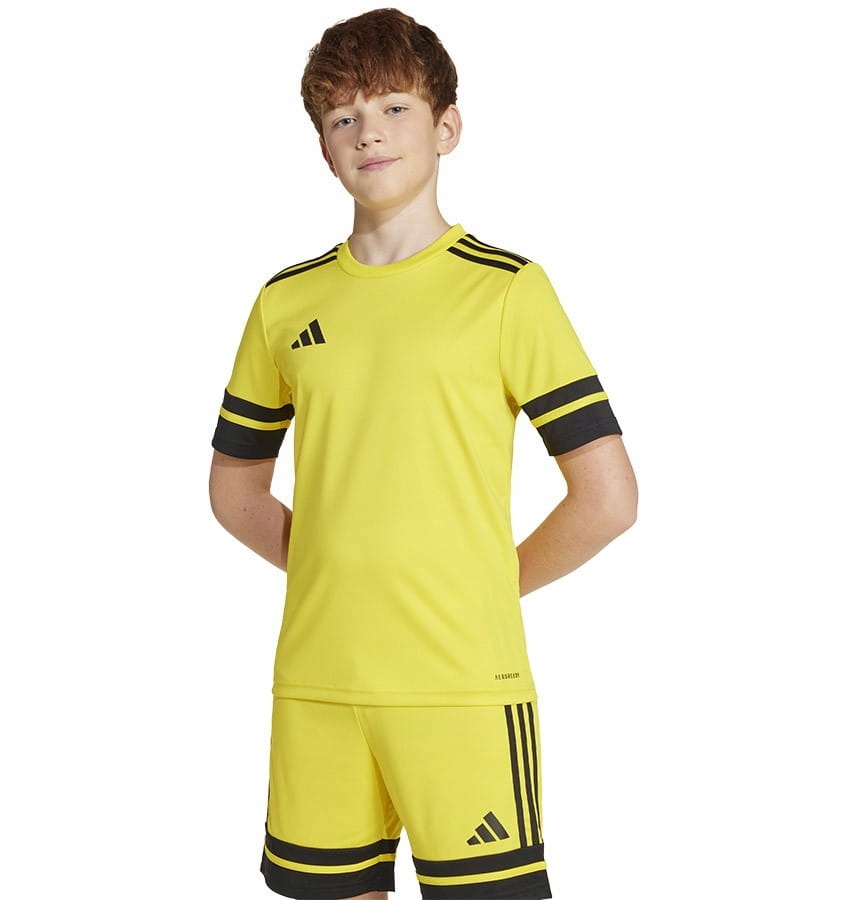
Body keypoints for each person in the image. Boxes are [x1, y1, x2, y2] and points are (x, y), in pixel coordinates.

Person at [208, 8, 638, 899]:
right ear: (323, 150)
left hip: (461, 688)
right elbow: (235, 491)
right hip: (319, 686)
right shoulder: (283, 304)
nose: (369, 132)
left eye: (394, 107)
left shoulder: (508, 291)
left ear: (447, 127)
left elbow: (607, 498)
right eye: (343, 117)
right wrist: (340, 572)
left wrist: (484, 583)